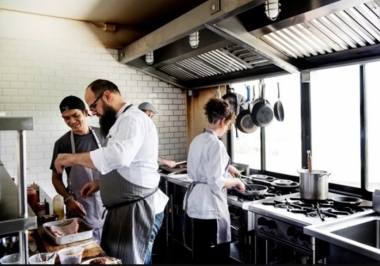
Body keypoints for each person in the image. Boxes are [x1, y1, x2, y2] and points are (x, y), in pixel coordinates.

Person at [54, 79, 168, 265]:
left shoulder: (132, 119)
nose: (93, 112)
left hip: (138, 209)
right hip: (125, 209)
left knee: (134, 261)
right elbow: (126, 165)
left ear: (107, 96)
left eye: (93, 106)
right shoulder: (121, 122)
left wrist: (70, 158)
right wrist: (101, 183)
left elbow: (118, 157)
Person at [183, 97, 245, 264]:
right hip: (210, 206)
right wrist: (237, 183)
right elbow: (217, 182)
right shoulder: (216, 144)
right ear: (222, 121)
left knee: (200, 252)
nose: (227, 129)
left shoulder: (198, 139)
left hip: (196, 203)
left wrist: (228, 167)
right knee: (219, 255)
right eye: (229, 125)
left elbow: (204, 167)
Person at [50, 95, 105, 243]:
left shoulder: (104, 135)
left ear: (86, 113)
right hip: (81, 208)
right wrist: (68, 200)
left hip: (108, 204)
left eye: (75, 115)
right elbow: (56, 178)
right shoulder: (62, 144)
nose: (72, 121)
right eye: (66, 118)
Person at [138, 102, 176, 168]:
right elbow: (148, 154)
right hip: (142, 170)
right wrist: (166, 162)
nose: (151, 119)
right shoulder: (142, 128)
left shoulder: (137, 125)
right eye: (151, 116)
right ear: (147, 112)